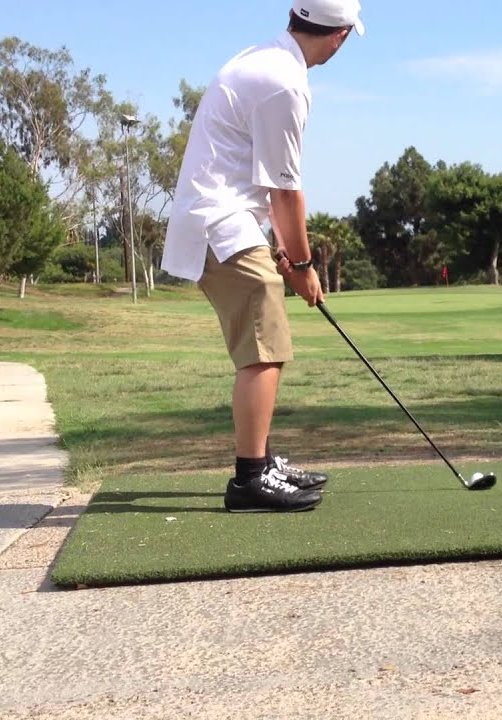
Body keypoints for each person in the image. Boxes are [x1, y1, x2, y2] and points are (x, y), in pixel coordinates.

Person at [161, 0, 366, 513]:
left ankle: (263, 461)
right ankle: (249, 480)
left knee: (264, 343)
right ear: (339, 36)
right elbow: (285, 193)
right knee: (264, 349)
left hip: (226, 221)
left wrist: (280, 247)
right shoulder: (285, 84)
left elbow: (259, 180)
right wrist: (301, 267)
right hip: (220, 225)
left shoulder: (267, 59)